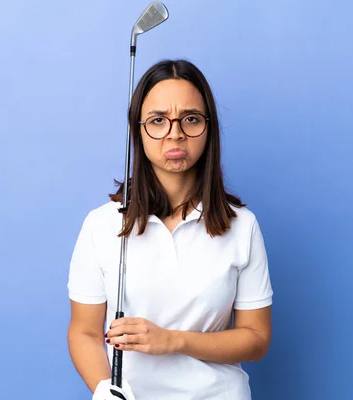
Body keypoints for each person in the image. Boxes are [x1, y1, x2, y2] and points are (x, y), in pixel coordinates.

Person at [67, 59, 273, 400]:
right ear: (138, 130)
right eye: (158, 120)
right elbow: (84, 332)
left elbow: (256, 338)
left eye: (190, 119)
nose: (175, 133)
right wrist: (105, 390)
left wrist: (173, 340)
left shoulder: (242, 226)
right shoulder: (102, 225)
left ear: (208, 128)